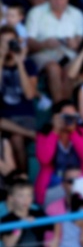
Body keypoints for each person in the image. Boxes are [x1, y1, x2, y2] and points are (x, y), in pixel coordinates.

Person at [25, 0, 83, 102]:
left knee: (70, 68)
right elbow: (28, 43)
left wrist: (75, 43)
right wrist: (43, 44)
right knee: (53, 68)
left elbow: (81, 42)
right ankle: (60, 108)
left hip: (67, 54)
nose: (58, 2)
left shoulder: (77, 14)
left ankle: (65, 108)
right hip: (42, 54)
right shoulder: (36, 13)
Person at [35, 100, 83, 206]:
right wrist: (55, 132)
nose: (70, 120)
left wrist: (74, 133)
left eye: (74, 116)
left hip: (77, 181)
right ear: (56, 117)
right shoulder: (44, 133)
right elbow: (44, 159)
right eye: (66, 116)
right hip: (53, 183)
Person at [0, 25, 38, 169]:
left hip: (24, 116)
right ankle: (30, 134)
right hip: (4, 116)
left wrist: (19, 63)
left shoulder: (28, 64)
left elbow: (29, 94)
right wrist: (1, 58)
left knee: (16, 138)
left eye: (11, 41)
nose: (8, 45)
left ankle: (21, 177)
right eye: (4, 41)